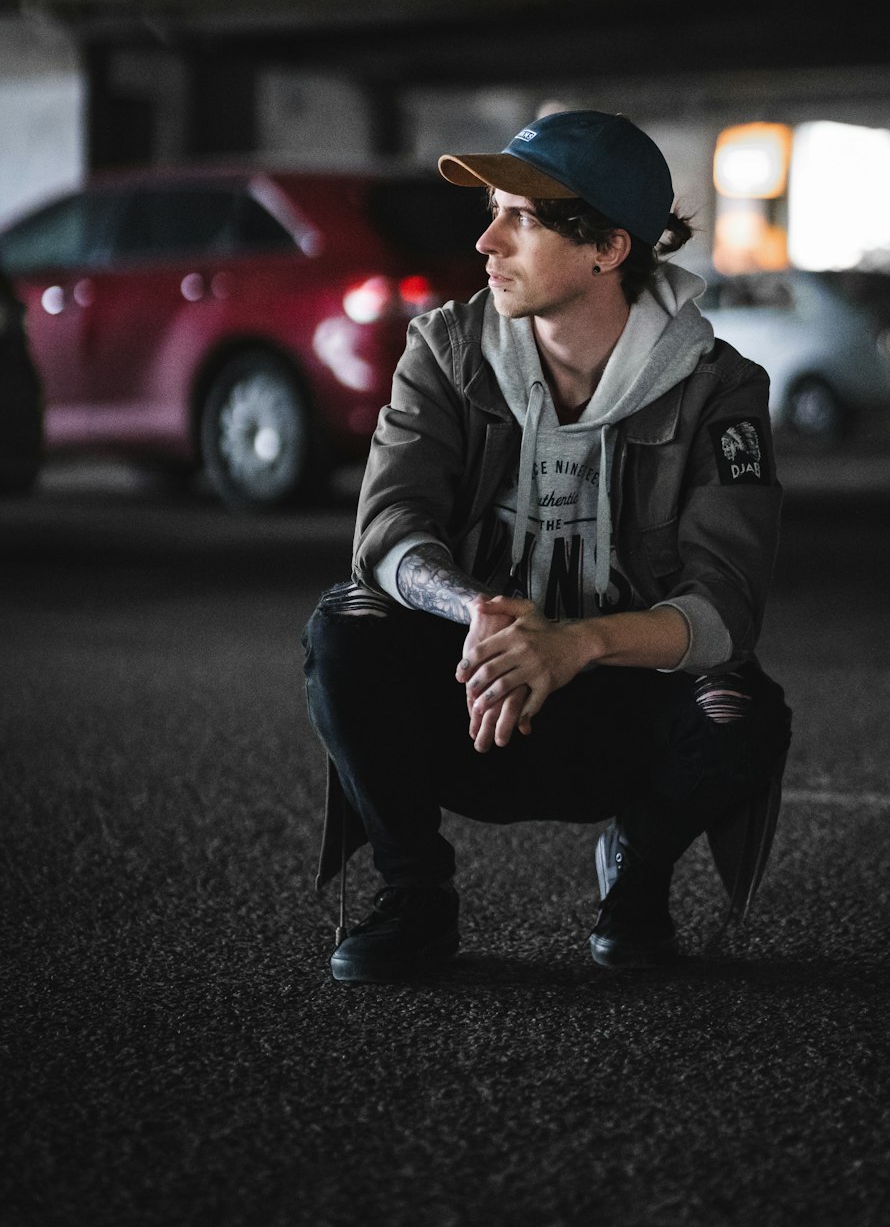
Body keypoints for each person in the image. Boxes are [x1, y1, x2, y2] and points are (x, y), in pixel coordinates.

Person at [303, 108, 791, 982]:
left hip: (616, 713)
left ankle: (636, 868)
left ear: (607, 247)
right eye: (491, 211)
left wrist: (581, 643)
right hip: (477, 686)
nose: (487, 240)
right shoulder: (447, 352)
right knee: (348, 621)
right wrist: (481, 611)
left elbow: (726, 608)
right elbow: (384, 530)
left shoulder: (720, 390)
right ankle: (415, 895)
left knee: (741, 712)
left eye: (520, 218)